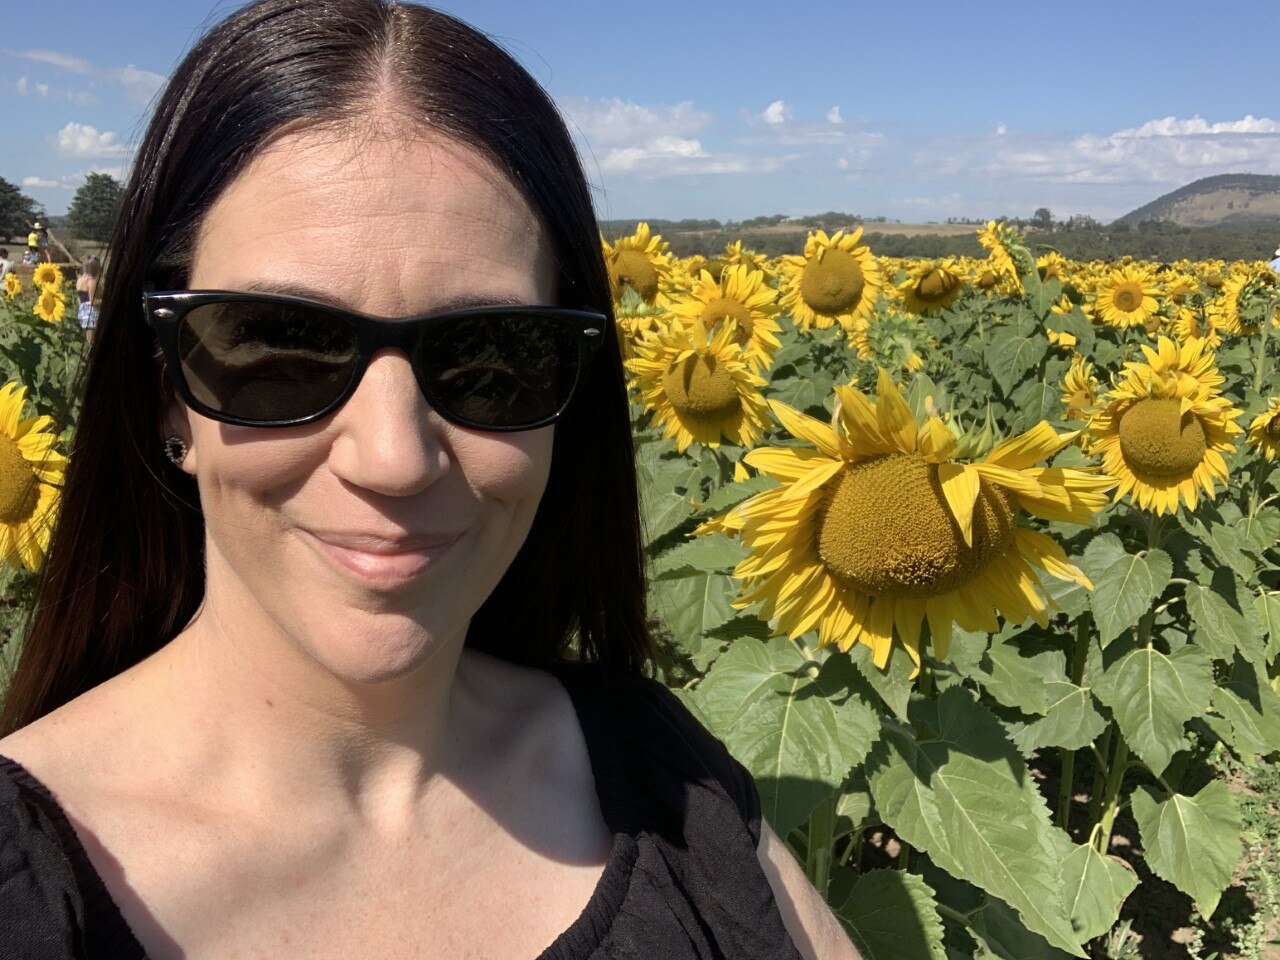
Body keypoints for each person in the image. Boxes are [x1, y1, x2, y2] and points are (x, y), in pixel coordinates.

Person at [0, 2, 860, 958]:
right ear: (168, 397)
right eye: (282, 347)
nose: (394, 457)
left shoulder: (668, 786)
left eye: (491, 357)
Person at [75, 255, 101, 340]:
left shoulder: (79, 280)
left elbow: (79, 299)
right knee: (93, 341)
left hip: (82, 312)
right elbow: (92, 301)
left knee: (89, 339)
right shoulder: (91, 281)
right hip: (91, 313)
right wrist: (106, 301)